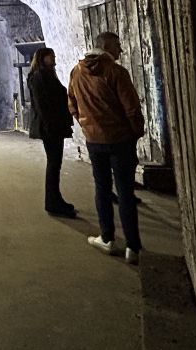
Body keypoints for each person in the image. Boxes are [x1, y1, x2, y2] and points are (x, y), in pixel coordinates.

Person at [67, 31, 145, 265]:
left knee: (102, 189)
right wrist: (136, 132)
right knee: (125, 193)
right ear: (107, 46)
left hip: (94, 141)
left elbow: (71, 101)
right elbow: (131, 108)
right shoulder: (116, 72)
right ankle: (132, 247)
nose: (120, 50)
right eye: (118, 45)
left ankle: (107, 238)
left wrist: (85, 125)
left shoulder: (76, 71)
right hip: (120, 140)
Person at [27, 47, 77, 218]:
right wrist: (50, 126)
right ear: (43, 58)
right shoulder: (39, 77)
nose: (54, 58)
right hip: (51, 127)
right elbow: (42, 105)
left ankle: (55, 199)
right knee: (54, 164)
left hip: (53, 125)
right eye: (51, 56)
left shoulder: (45, 75)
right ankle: (53, 202)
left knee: (55, 164)